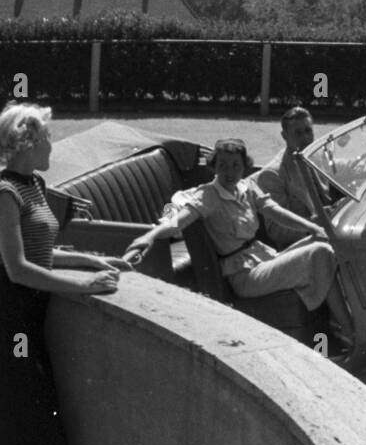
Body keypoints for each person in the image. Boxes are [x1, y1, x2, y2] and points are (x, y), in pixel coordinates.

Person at [0, 102, 130, 445]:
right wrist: (84, 287)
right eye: (48, 139)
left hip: (27, 324)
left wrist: (92, 261)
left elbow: (40, 251)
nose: (53, 146)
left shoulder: (35, 184)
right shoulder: (4, 193)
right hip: (1, 326)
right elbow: (18, 269)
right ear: (26, 143)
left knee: (33, 425)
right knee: (3, 430)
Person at [123, 138, 352, 342]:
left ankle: (338, 325)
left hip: (265, 257)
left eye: (235, 166)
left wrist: (313, 227)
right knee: (320, 253)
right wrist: (149, 236)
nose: (229, 172)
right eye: (222, 165)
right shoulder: (209, 195)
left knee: (326, 244)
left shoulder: (246, 186)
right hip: (245, 276)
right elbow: (178, 221)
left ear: (244, 167)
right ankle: (348, 330)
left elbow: (274, 212)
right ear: (214, 166)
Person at [254, 106, 330, 249]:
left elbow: (339, 167)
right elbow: (277, 231)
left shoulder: (314, 156)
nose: (305, 138)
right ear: (285, 135)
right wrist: (313, 225)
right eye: (298, 133)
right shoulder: (273, 174)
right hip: (301, 245)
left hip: (330, 229)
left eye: (308, 131)